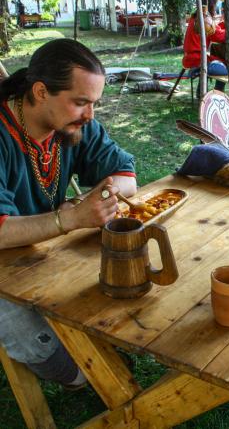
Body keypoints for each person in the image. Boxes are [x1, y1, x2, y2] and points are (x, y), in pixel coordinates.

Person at [0, 39, 136, 389]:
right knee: (25, 332)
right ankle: (78, 377)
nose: (90, 115)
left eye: (94, 103)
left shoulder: (76, 125)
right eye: (80, 102)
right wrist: (70, 219)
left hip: (45, 249)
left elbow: (125, 173)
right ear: (41, 91)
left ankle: (94, 349)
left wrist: (99, 198)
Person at [182, 0, 227, 96]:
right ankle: (218, 94)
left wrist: (223, 24)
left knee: (218, 61)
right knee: (225, 67)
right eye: (216, 4)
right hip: (196, 59)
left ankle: (200, 91)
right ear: (212, 5)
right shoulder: (205, 20)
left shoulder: (197, 17)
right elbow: (219, 36)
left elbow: (215, 29)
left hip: (189, 57)